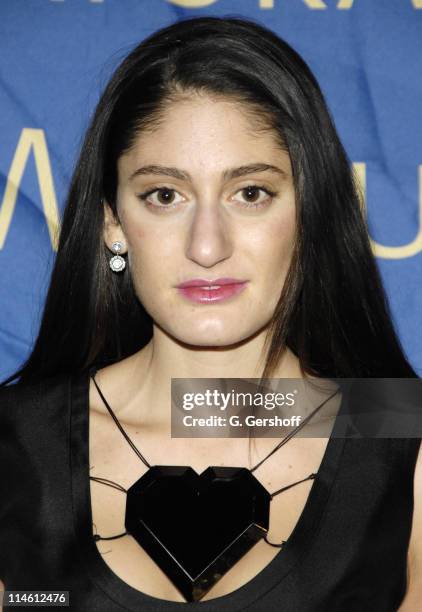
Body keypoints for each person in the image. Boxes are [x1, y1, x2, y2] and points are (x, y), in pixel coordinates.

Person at [0, 15, 420, 611]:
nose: (206, 245)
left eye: (250, 193)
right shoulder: (15, 441)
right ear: (114, 225)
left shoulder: (403, 429)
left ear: (310, 218)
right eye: (164, 196)